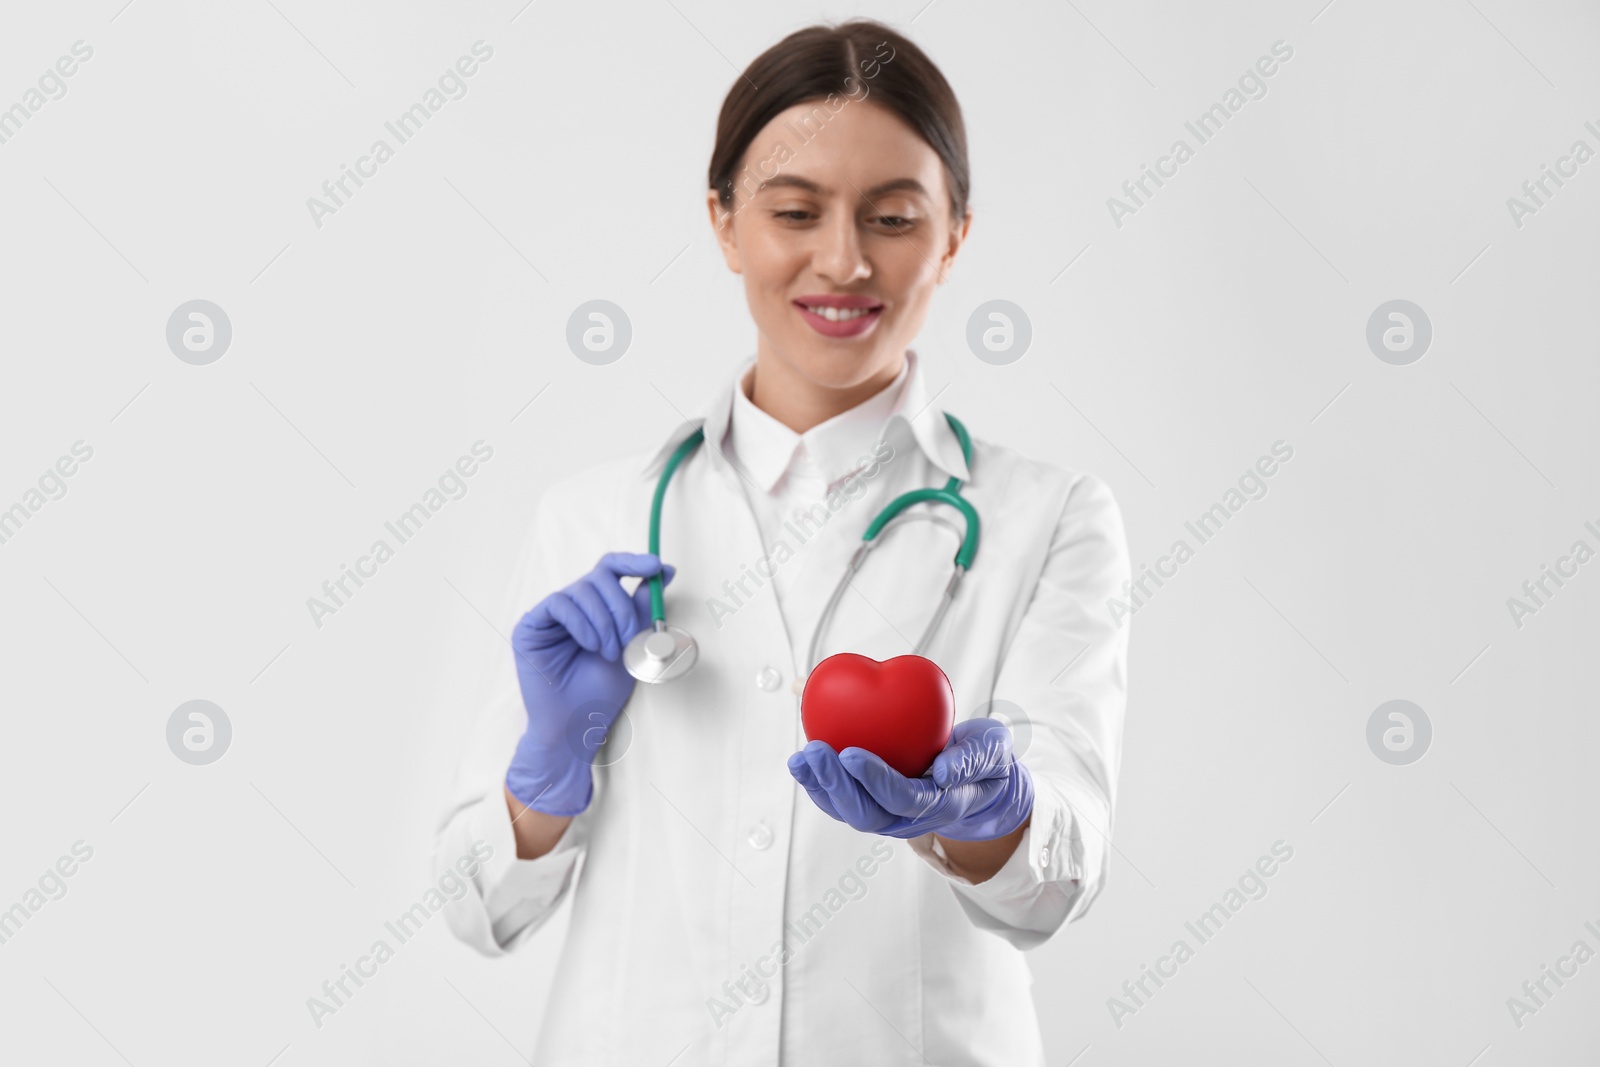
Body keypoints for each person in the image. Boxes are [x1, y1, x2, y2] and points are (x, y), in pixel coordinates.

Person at [433, 18, 1130, 1065]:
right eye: (794, 211)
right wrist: (546, 772)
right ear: (722, 223)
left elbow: (1054, 885)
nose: (842, 261)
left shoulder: (1052, 517)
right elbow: (476, 906)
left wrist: (989, 818)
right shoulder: (592, 519)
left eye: (893, 216)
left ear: (954, 234)